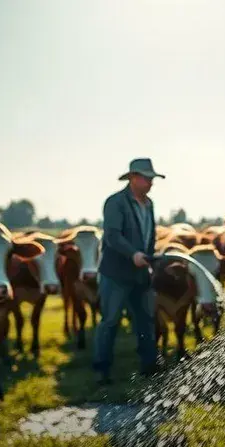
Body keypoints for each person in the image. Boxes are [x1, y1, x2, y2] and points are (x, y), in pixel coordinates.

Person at [92, 157, 164, 385]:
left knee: (145, 319)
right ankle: (102, 370)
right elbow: (112, 235)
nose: (150, 182)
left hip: (141, 272)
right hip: (116, 273)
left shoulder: (149, 204)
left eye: (152, 178)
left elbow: (149, 235)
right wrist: (133, 254)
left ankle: (149, 366)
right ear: (133, 178)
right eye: (146, 178)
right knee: (110, 320)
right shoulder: (115, 202)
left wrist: (149, 258)